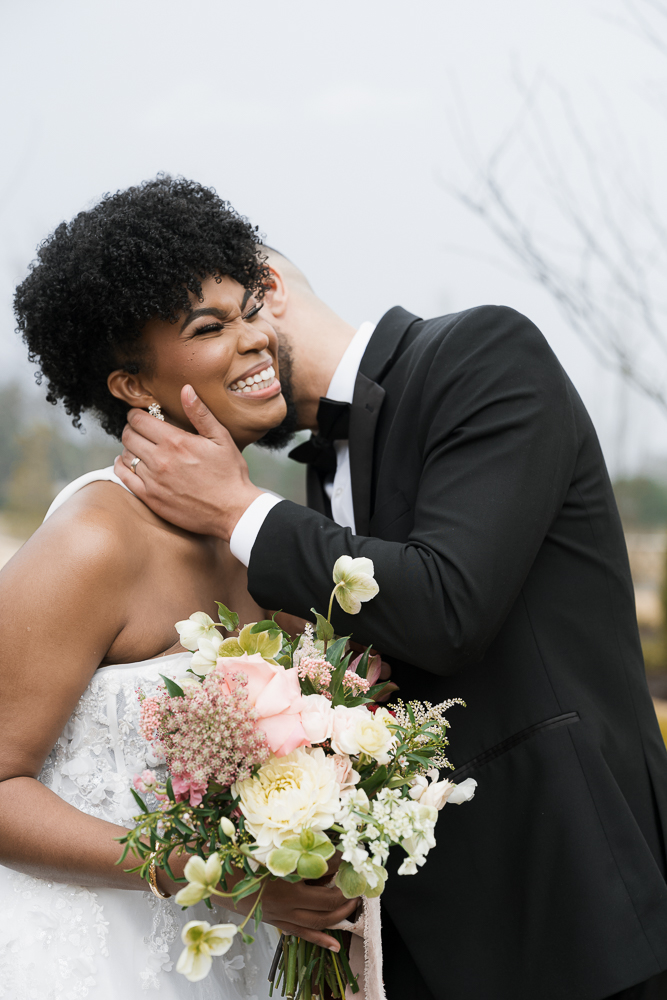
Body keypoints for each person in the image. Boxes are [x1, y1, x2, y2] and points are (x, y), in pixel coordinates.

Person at [117, 242, 667, 1000]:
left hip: (576, 908)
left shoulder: (483, 354)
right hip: (434, 941)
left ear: (266, 288)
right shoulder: (319, 470)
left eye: (219, 323)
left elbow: (447, 609)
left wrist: (237, 510)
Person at [0, 177, 357, 1000]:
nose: (256, 340)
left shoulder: (262, 533)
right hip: (97, 965)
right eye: (210, 327)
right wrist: (210, 878)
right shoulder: (95, 542)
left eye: (249, 312)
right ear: (130, 385)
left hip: (240, 964)